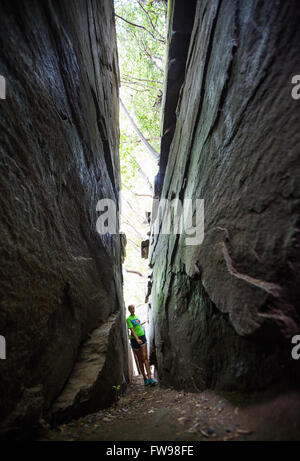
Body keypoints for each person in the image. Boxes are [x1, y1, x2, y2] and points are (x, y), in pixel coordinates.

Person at [126, 304, 156, 386]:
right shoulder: (128, 319)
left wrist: (143, 323)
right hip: (135, 340)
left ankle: (150, 378)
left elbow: (138, 326)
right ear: (129, 310)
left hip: (142, 337)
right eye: (131, 309)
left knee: (145, 356)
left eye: (133, 308)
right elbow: (132, 330)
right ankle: (145, 378)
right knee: (140, 360)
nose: (133, 310)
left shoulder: (136, 317)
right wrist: (137, 339)